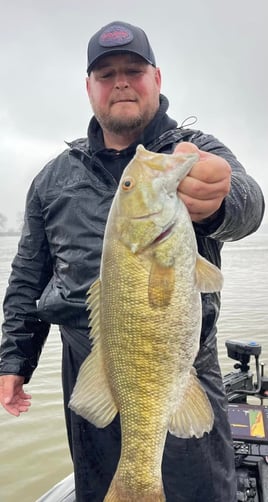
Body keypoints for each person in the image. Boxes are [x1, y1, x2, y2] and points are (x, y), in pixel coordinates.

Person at [0, 20, 265, 502]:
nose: (120, 81)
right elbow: (27, 277)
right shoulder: (52, 179)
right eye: (106, 74)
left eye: (133, 70)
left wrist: (220, 199)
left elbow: (248, 206)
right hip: (91, 370)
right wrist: (14, 360)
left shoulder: (193, 152)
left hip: (180, 365)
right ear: (89, 88)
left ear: (157, 80)